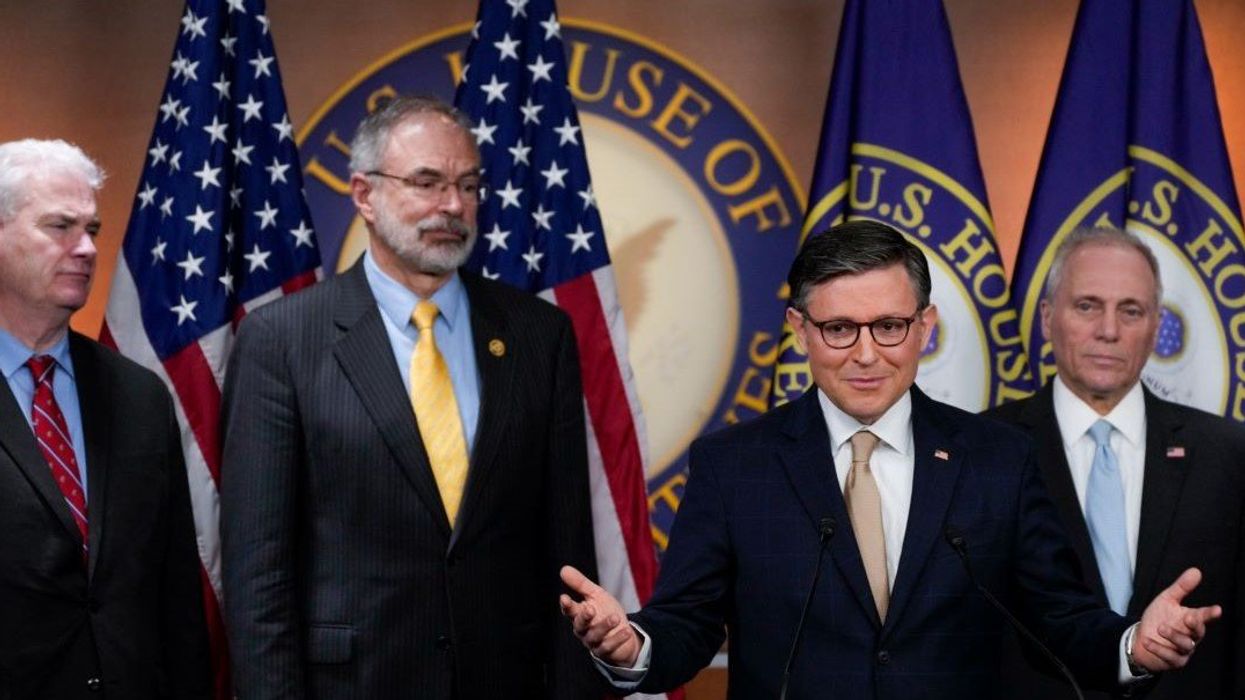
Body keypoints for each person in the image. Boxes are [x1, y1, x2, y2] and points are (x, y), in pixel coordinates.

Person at [560, 219, 1220, 698]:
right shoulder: (735, 466)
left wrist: (1132, 645)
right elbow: (688, 622)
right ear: (798, 330)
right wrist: (635, 646)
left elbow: (1061, 618)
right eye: (839, 328)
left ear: (924, 328)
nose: (867, 353)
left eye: (889, 326)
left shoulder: (997, 459)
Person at [220, 95, 602, 698]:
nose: (453, 206)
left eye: (469, 185)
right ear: (364, 195)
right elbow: (256, 573)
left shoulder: (537, 335)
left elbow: (569, 553)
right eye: (427, 182)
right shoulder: (282, 341)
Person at [985, 227, 1245, 699]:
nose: (1108, 330)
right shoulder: (981, 450)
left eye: (1131, 310)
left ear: (1155, 325)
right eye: (1087, 306)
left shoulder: (1230, 453)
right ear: (1047, 318)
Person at [0, 139, 210, 698]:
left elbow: (177, 596)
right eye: (61, 226)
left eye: (91, 228)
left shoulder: (139, 396)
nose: (88, 248)